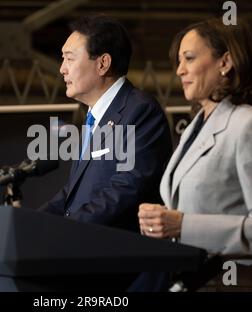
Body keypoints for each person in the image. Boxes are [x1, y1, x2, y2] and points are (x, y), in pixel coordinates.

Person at [138, 18, 252, 291]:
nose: (179, 70)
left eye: (189, 58)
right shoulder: (194, 128)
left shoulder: (251, 125)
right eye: (179, 61)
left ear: (225, 63)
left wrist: (182, 224)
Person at [39, 14, 172, 235]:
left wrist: (67, 228)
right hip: (88, 248)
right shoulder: (92, 115)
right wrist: (32, 221)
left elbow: (126, 187)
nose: (62, 69)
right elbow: (74, 193)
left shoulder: (139, 110)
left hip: (121, 256)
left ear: (103, 63)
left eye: (69, 59)